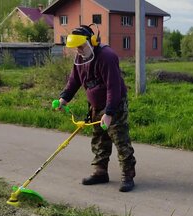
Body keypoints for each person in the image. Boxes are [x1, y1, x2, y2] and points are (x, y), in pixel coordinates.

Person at [57, 25, 136, 192]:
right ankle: (100, 172)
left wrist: (109, 113)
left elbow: (113, 87)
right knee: (99, 139)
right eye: (76, 48)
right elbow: (74, 80)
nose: (78, 50)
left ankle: (127, 175)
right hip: (95, 106)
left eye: (81, 46)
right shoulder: (80, 58)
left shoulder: (107, 57)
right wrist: (64, 98)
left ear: (91, 41)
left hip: (115, 105)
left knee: (120, 139)